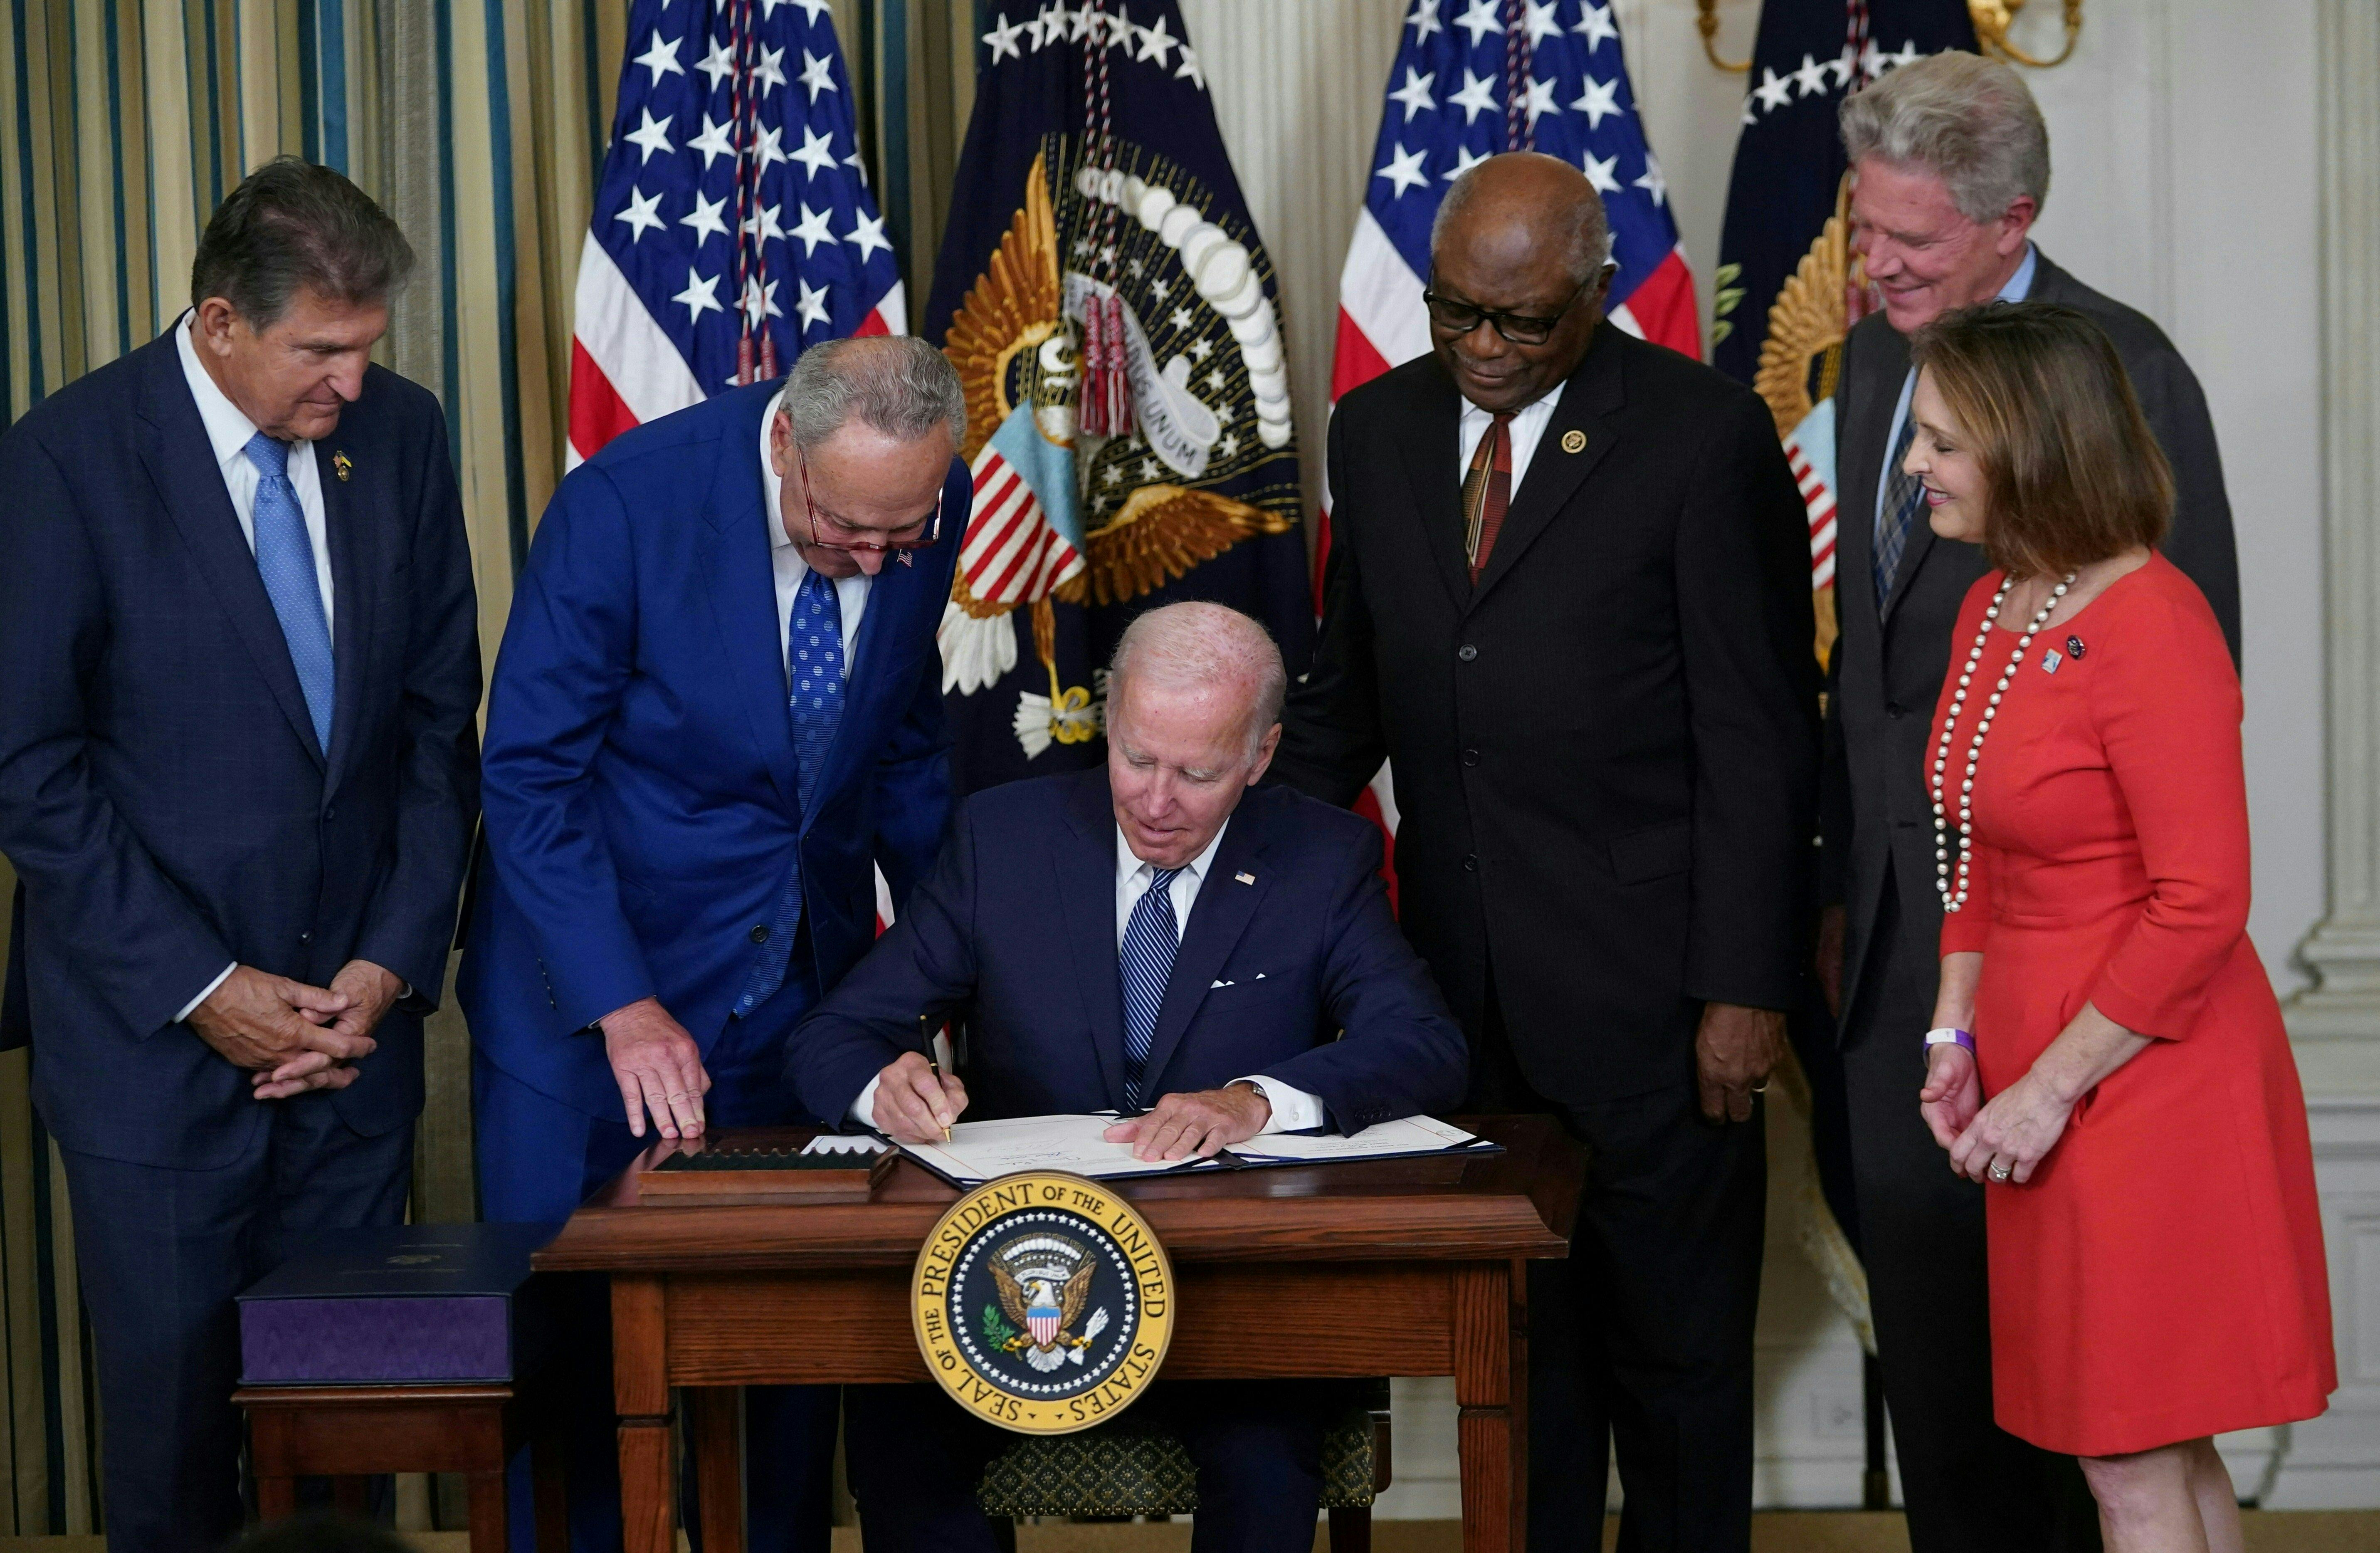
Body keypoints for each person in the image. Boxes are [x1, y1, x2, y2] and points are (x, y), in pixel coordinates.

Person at [1270, 152, 1819, 1548]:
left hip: (1658, 995)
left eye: (1521, 320)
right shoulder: (1379, 426)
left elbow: (1758, 737)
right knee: (1524, 1359)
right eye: (1456, 311)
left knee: (1675, 1361)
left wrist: (1743, 989)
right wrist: (1246, 912)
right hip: (1456, 998)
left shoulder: (1697, 435)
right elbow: (1348, 702)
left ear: (1597, 292)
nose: (1483, 348)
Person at [0, 158, 481, 1553]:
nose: (351, 378)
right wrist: (207, 984)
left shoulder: (399, 435)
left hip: (352, 1040)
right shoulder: (66, 460)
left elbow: (438, 728)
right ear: (219, 322)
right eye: (318, 350)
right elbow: (30, 769)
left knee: (345, 1425)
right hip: (154, 1053)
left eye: (367, 346)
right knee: (172, 1439)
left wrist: (387, 965)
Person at [789, 601, 1468, 1553]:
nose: (1156, 800)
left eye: (1197, 773)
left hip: (1234, 1300)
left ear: (1260, 756)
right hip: (1016, 1276)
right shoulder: (1004, 838)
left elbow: (1425, 1042)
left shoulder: (1320, 857)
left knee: (1267, 1457)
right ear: (1109, 726)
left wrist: (1255, 1100)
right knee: (898, 1440)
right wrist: (882, 1084)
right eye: (1136, 758)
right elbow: (835, 1031)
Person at [1818, 53, 2246, 1553]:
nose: (1872, 272)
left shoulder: (2124, 375)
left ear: (2012, 223)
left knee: (2111, 1413)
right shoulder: (1879, 353)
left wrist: (2064, 1053)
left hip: (2097, 996)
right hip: (1912, 951)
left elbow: (2184, 758)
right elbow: (1867, 675)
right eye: (1862, 232)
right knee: (1948, 1353)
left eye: (1911, 246)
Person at [459, 335, 969, 1553]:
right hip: (592, 1006)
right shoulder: (625, 507)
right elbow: (531, 774)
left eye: (903, 535)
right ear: (785, 444)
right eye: (848, 528)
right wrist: (621, 1002)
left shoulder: (908, 503)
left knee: (787, 1356)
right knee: (578, 1368)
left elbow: (898, 748)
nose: (876, 557)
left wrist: (953, 962)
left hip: (797, 995)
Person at [1903, 299, 2332, 1552]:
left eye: (1939, 442)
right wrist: (1951, 1036)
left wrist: (2042, 1091)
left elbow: (2201, 899)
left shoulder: (2152, 621)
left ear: (2029, 446)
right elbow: (1975, 850)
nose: (1915, 465)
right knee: (2145, 1444)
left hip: (2147, 1073)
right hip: (2034, 1064)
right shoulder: (1996, 604)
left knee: (2128, 1450)